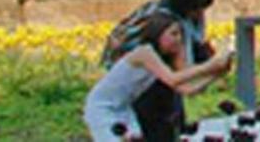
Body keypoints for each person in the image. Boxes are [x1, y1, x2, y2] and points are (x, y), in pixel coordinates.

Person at [85, 14, 231, 141]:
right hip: (102, 108)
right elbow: (173, 79)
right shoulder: (144, 53)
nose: (178, 39)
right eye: (173, 34)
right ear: (158, 33)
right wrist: (210, 65)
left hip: (124, 107)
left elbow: (185, 89)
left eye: (180, 34)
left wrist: (216, 74)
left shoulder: (164, 58)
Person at [127, 0, 225, 141]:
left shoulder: (179, 16)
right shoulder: (168, 25)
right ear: (186, 7)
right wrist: (213, 68)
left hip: (161, 87)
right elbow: (183, 79)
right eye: (197, 10)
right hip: (145, 91)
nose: (200, 15)